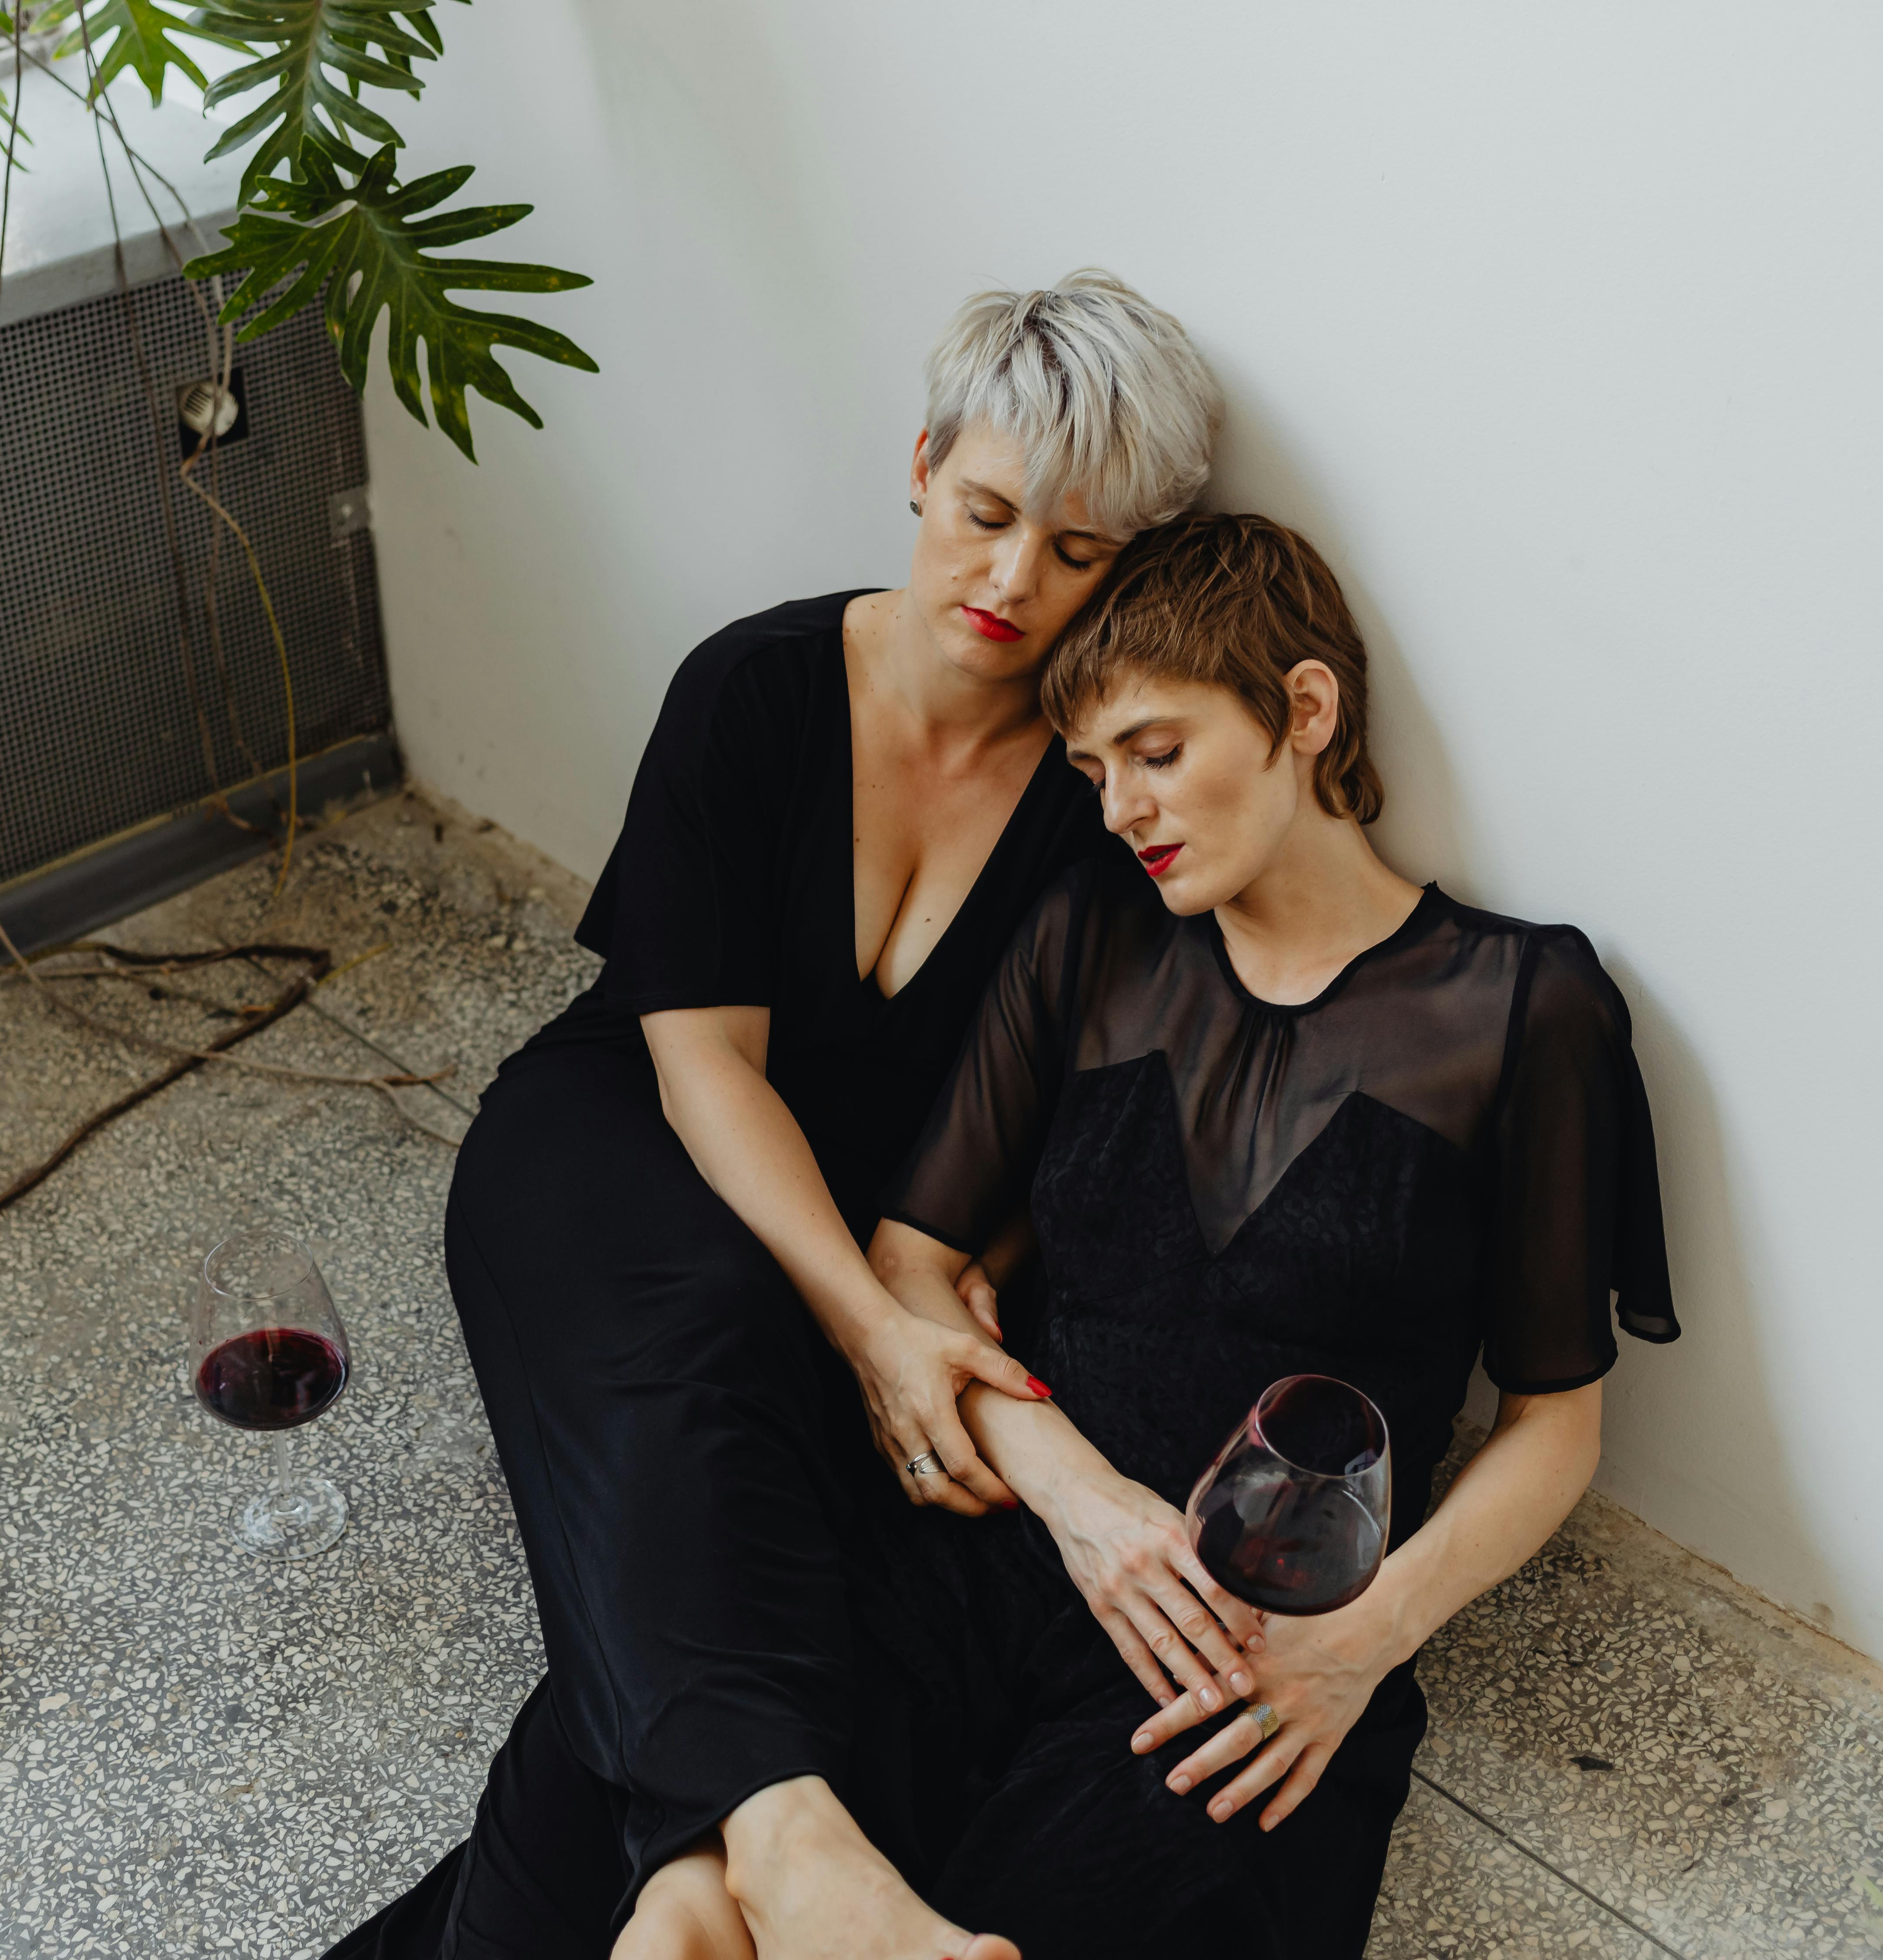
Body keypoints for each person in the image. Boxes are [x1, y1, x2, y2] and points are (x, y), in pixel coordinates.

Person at [324, 272, 1226, 1960]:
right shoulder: (755, 690)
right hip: (616, 1149)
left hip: (887, 1244)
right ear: (919, 466)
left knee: (744, 1514)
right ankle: (805, 1862)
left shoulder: (1103, 806)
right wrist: (879, 1335)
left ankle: (686, 1895)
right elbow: (702, 1066)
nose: (1015, 580)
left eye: (1083, 552)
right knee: (721, 1342)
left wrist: (942, 1303)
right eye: (985, 513)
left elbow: (1047, 1122)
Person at [801, 511, 1680, 1956]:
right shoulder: (1092, 932)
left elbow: (1555, 1424)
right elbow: (910, 1264)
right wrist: (1078, 1499)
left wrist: (1369, 1641)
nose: (1122, 809)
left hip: (1261, 1646)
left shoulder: (1526, 1010)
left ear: (1308, 712)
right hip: (1004, 1549)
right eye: (1095, 773)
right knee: (715, 1855)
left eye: (1159, 752)